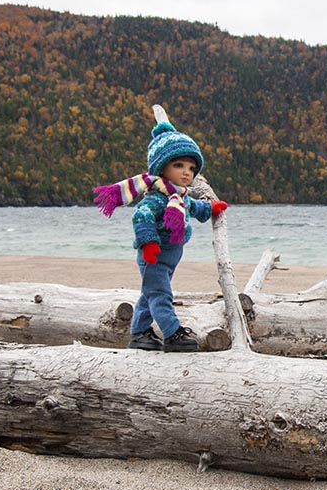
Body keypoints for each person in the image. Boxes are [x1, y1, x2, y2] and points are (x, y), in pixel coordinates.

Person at [92, 112, 227, 352]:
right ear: (161, 168)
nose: (187, 172)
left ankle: (140, 333)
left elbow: (193, 207)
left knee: (149, 294)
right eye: (178, 165)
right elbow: (141, 216)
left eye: (191, 167)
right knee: (160, 295)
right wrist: (148, 242)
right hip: (154, 255)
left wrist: (211, 208)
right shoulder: (156, 198)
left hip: (170, 256)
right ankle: (172, 334)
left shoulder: (180, 196)